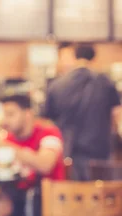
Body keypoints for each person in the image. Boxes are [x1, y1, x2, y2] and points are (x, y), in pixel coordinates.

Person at [44, 43, 122, 180]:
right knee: (99, 194)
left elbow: (47, 121)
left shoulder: (56, 85)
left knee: (73, 194)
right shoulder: (106, 82)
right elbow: (117, 114)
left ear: (74, 57)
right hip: (100, 150)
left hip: (68, 151)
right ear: (94, 58)